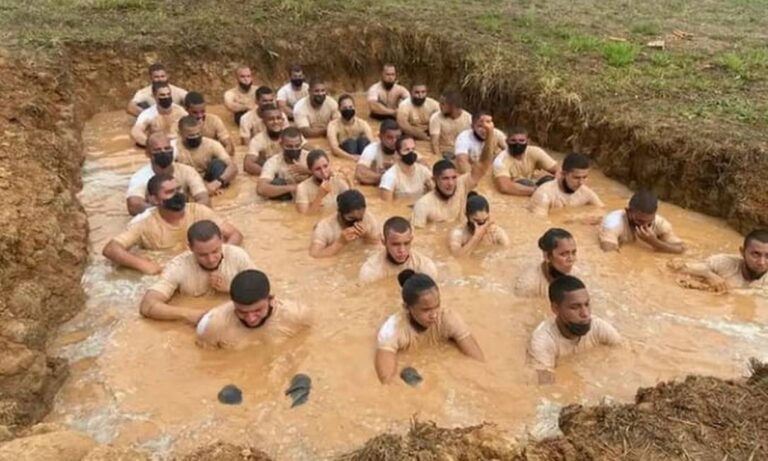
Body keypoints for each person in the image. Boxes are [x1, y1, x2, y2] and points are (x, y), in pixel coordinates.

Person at [103, 174, 242, 275]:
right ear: (154, 199)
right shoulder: (143, 224)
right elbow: (111, 249)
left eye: (178, 189)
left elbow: (235, 234)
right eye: (169, 192)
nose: (177, 194)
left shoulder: (198, 211)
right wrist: (144, 265)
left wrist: (221, 255)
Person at [374, 270, 484, 384]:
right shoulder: (392, 329)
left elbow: (478, 362)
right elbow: (387, 381)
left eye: (436, 306)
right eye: (426, 310)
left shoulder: (449, 318)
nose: (434, 314)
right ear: (407, 308)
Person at [138, 220, 256, 325]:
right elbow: (147, 305)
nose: (211, 259)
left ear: (221, 240)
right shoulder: (178, 266)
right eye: (202, 255)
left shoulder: (238, 256)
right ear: (190, 248)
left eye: (215, 251)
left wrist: (231, 288)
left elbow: (265, 295)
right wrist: (191, 315)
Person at [528, 276, 621, 384]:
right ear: (555, 309)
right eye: (575, 307)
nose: (585, 314)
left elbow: (624, 357)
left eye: (586, 304)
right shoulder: (542, 343)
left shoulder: (599, 327)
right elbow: (544, 387)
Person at [412, 118, 497, 227]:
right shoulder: (423, 205)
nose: (451, 183)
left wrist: (489, 135)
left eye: (453, 177)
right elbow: (419, 238)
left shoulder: (461, 185)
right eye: (445, 179)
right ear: (434, 180)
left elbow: (483, 165)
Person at [196, 270, 311, 349]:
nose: (250, 319)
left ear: (271, 299)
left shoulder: (297, 314)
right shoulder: (214, 326)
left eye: (257, 310)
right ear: (233, 303)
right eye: (242, 312)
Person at [125, 132, 210, 216]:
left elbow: (204, 199)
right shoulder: (140, 177)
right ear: (148, 154)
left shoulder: (187, 171)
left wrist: (184, 212)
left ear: (173, 150)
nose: (163, 152)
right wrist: (165, 212)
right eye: (157, 150)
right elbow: (133, 205)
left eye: (167, 148)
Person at [669, 229, 768, 291]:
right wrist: (709, 275)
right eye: (755, 254)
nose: (761, 262)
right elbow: (676, 267)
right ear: (742, 252)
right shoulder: (723, 263)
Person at [599, 190, 685, 254]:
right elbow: (609, 253)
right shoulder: (613, 223)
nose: (645, 226)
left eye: (649, 222)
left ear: (654, 215)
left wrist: (654, 242)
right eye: (640, 221)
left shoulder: (660, 222)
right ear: (628, 212)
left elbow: (681, 249)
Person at [359, 217, 438, 283]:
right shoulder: (370, 271)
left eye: (406, 243)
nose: (402, 250)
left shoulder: (425, 267)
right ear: (384, 242)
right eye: (395, 244)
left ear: (411, 240)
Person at [175, 116, 238, 196]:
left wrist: (217, 183)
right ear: (180, 134)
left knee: (218, 164)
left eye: (198, 134)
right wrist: (202, 186)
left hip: (210, 179)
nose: (195, 137)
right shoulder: (173, 148)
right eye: (191, 135)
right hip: (187, 181)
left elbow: (233, 167)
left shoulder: (212, 144)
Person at [528, 153, 604, 216]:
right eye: (576, 178)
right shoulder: (544, 194)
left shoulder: (586, 193)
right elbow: (540, 224)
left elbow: (603, 213)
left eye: (584, 177)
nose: (581, 183)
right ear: (563, 174)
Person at [309, 189, 380, 258]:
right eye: (351, 218)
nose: (356, 222)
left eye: (360, 218)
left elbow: (380, 245)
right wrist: (340, 243)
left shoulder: (368, 218)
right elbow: (315, 255)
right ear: (339, 213)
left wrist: (367, 236)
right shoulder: (324, 226)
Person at [492, 126, 559, 196]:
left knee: (549, 180)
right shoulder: (500, 160)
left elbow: (559, 170)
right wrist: (537, 191)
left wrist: (556, 186)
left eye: (521, 141)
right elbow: (505, 187)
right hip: (521, 185)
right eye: (513, 141)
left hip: (534, 184)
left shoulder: (535, 152)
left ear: (528, 141)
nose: (517, 144)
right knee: (525, 182)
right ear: (506, 141)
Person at [515, 228, 579, 298]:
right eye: (563, 254)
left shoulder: (576, 274)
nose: (571, 259)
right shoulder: (528, 285)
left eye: (573, 253)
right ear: (547, 256)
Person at [244, 104, 302, 176]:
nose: (276, 122)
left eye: (278, 118)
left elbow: (311, 152)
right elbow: (248, 165)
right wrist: (272, 174)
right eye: (271, 119)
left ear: (283, 120)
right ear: (263, 122)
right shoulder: (257, 140)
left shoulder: (292, 135)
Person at [256, 127, 310, 200]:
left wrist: (308, 171)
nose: (294, 149)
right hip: (288, 197)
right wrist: (294, 188)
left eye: (297, 146)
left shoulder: (310, 158)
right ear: (281, 144)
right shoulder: (273, 162)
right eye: (289, 146)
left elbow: (329, 177)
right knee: (277, 182)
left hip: (310, 195)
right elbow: (261, 189)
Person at [449, 193, 509, 257]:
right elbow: (456, 258)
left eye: (485, 220)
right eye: (477, 222)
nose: (482, 225)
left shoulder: (496, 233)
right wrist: (476, 237)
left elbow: (508, 253)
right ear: (467, 216)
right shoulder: (458, 234)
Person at [130, 82, 188, 147]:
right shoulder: (147, 114)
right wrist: (152, 144)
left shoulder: (180, 111)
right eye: (162, 95)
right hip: (158, 148)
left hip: (178, 145)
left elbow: (192, 128)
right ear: (154, 96)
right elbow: (135, 132)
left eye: (168, 94)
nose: (166, 97)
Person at [295, 149, 351, 214]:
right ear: (310, 170)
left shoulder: (338, 180)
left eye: (325, 166)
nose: (323, 172)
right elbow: (304, 218)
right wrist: (320, 196)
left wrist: (349, 182)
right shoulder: (302, 188)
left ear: (329, 164)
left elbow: (352, 205)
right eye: (318, 169)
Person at [379, 135, 433, 201]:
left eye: (413, 149)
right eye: (407, 150)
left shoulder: (424, 171)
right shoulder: (389, 176)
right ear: (397, 154)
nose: (411, 152)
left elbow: (436, 195)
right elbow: (386, 206)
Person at [184, 91, 235, 156]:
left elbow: (229, 145)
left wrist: (221, 158)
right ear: (186, 109)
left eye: (203, 111)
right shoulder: (181, 124)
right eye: (195, 112)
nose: (200, 115)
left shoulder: (214, 120)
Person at [354, 119, 402, 185]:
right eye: (390, 137)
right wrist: (386, 177)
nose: (394, 141)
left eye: (398, 137)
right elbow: (360, 173)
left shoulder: (405, 148)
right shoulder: (371, 149)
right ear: (380, 137)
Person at [326, 94, 373, 160]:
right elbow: (334, 148)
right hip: (346, 151)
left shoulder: (363, 124)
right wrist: (352, 157)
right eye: (345, 108)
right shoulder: (333, 125)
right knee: (350, 143)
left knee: (363, 141)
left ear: (354, 108)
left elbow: (371, 143)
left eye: (350, 107)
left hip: (361, 151)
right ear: (339, 109)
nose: (348, 110)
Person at [429, 90, 472, 158]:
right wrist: (439, 159)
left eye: (443, 104)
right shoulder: (436, 118)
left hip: (461, 153)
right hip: (444, 151)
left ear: (452, 106)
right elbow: (435, 143)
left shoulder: (469, 119)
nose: (439, 106)